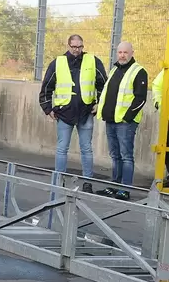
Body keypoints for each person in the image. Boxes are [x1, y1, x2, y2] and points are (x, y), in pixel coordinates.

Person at [39, 34, 108, 193]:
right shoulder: (58, 62)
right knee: (62, 148)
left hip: (86, 112)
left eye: (80, 47)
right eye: (74, 47)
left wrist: (99, 104)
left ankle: (87, 182)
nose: (77, 50)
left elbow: (103, 85)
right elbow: (46, 87)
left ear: (83, 46)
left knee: (86, 149)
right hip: (64, 113)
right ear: (68, 46)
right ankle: (58, 180)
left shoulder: (93, 61)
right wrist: (48, 109)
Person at [95, 41, 148, 200]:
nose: (122, 55)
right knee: (115, 155)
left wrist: (127, 117)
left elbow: (140, 98)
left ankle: (124, 189)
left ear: (132, 53)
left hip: (125, 123)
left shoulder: (139, 71)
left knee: (126, 156)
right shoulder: (115, 70)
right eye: (120, 52)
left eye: (125, 52)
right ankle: (114, 185)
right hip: (110, 120)